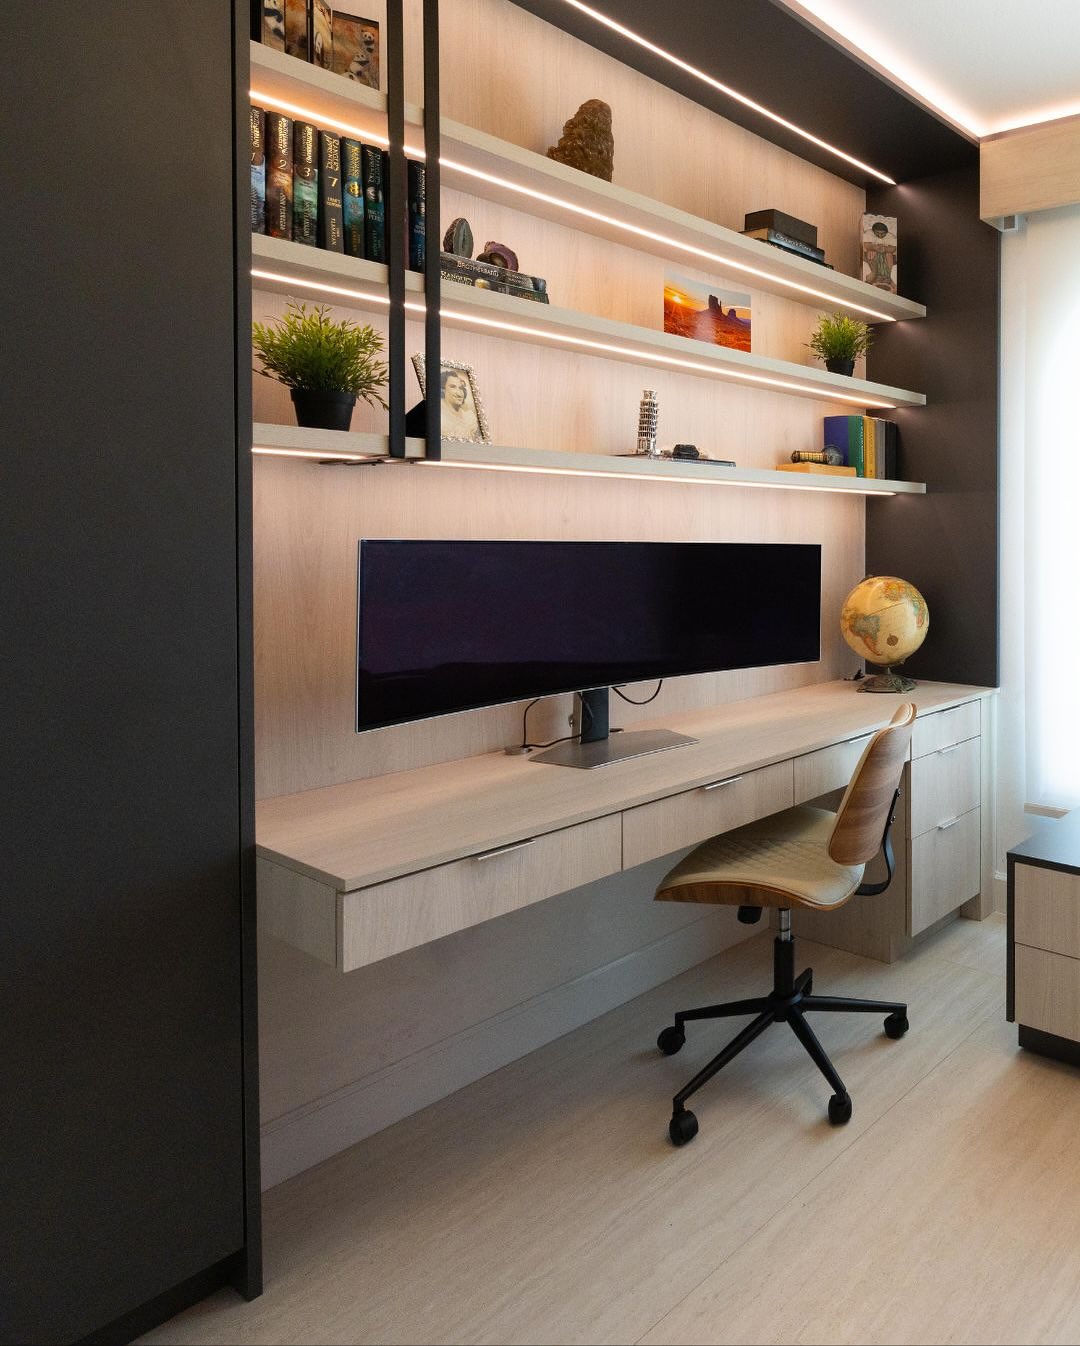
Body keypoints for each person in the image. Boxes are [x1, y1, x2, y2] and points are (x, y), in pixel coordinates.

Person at [440, 367, 483, 441]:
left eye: (460, 388)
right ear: (443, 390)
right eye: (453, 387)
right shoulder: (438, 416)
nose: (459, 394)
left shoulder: (470, 417)